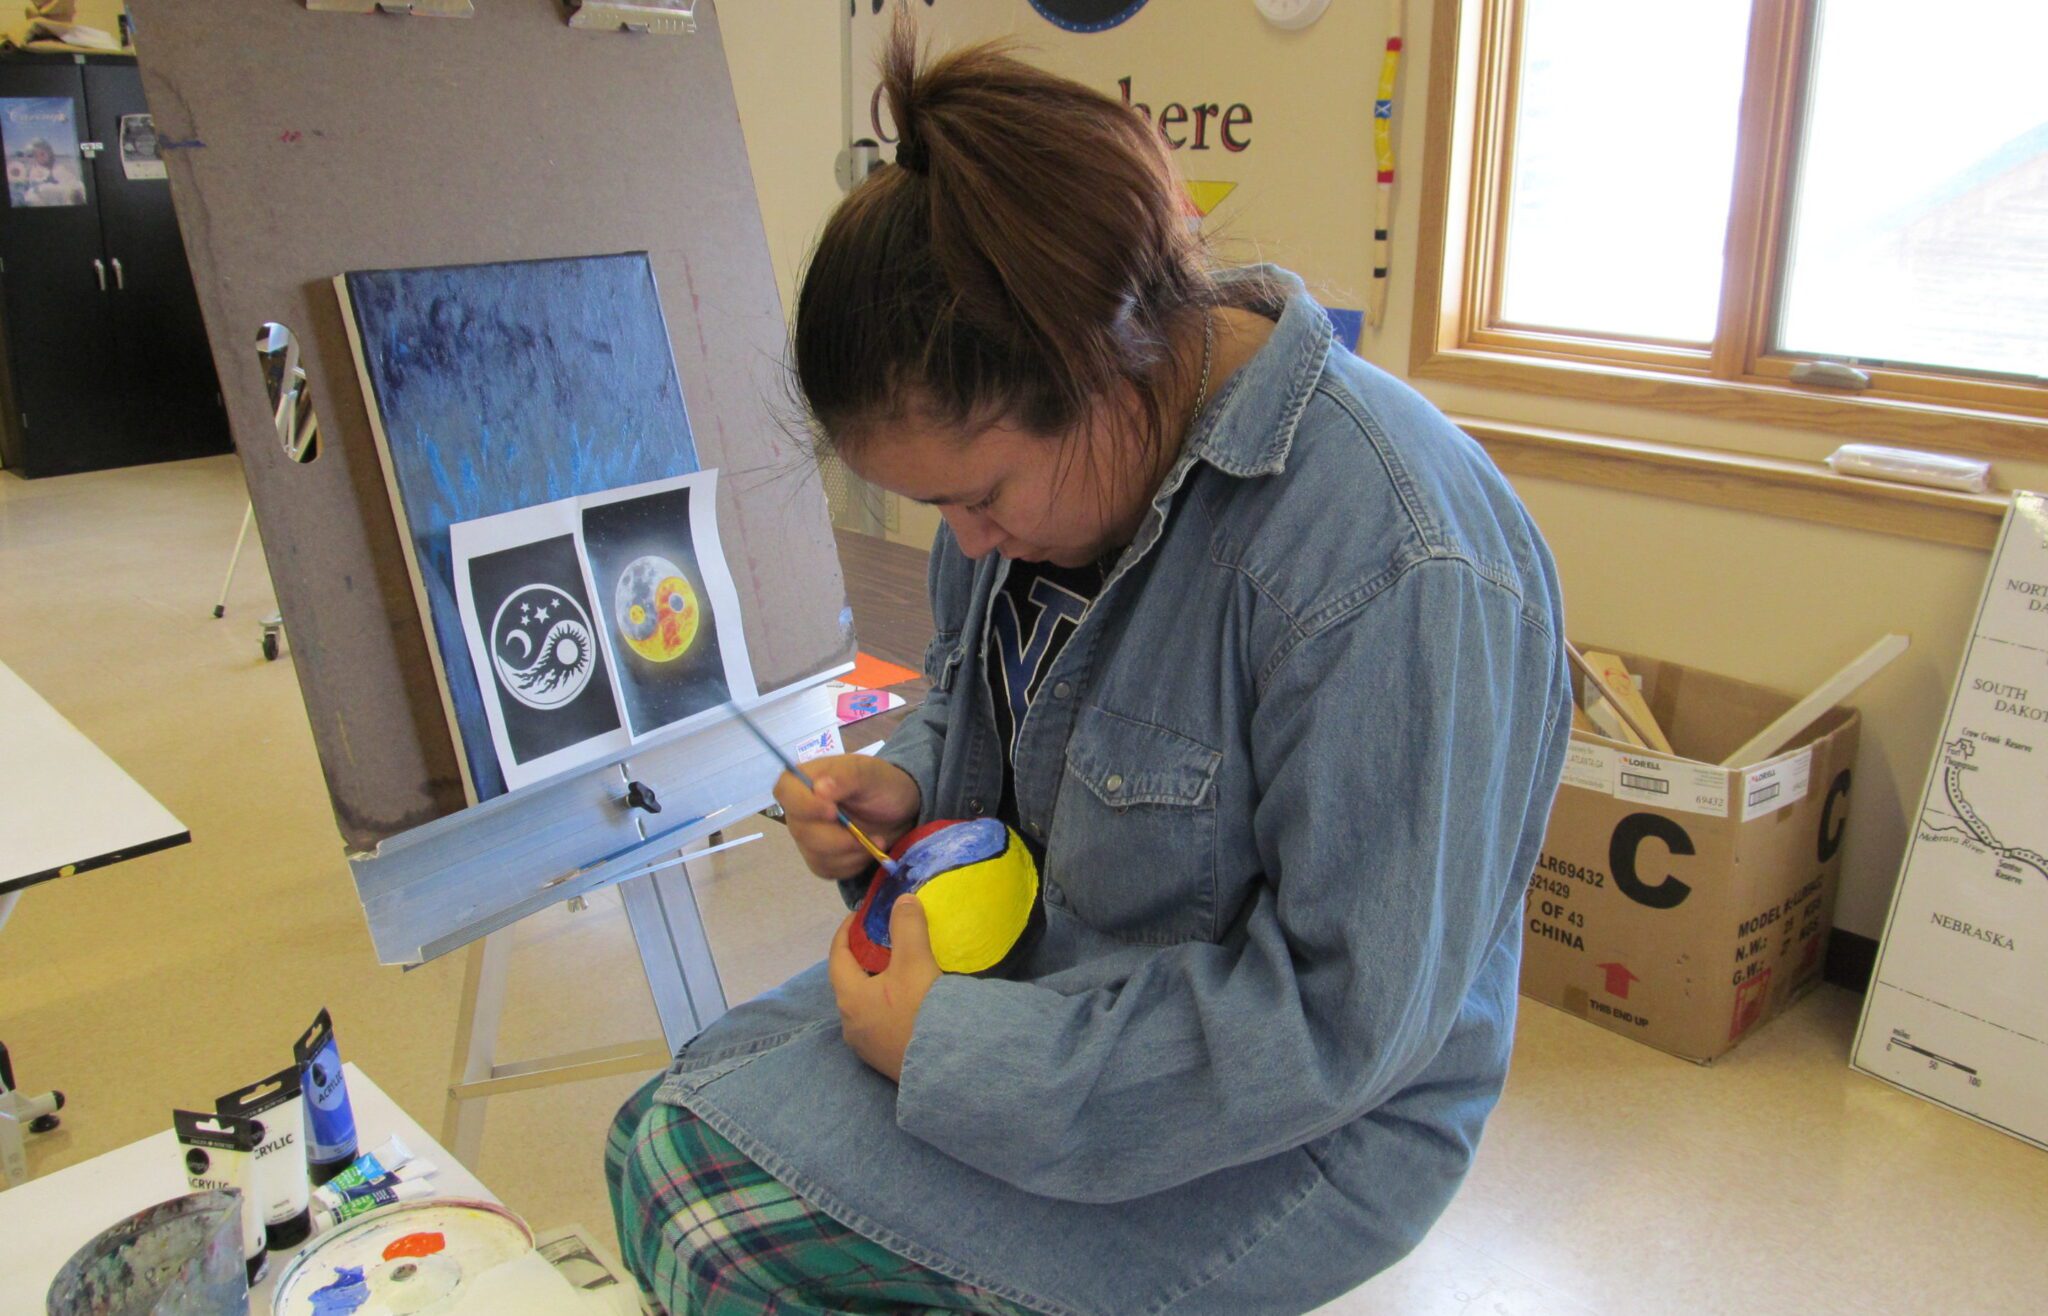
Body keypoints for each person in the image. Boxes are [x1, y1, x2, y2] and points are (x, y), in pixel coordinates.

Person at [607, 18, 1572, 1316]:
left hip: (1308, 1124)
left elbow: (1341, 1029)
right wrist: (904, 783)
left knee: (740, 1252)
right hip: (1056, 981)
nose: (965, 543)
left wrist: (956, 1054)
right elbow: (981, 691)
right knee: (658, 1138)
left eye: (981, 496)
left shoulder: (1396, 562)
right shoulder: (1046, 477)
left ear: (1114, 369)